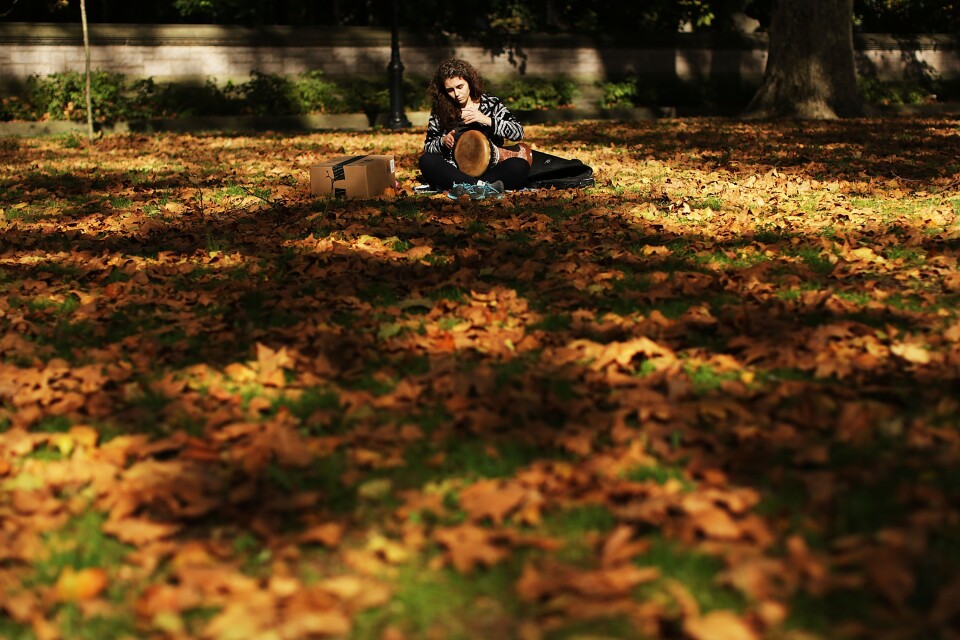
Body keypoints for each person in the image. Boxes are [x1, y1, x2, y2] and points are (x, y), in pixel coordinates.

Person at [419, 58, 532, 197]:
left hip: (490, 170)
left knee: (520, 165)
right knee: (427, 160)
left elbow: (518, 132)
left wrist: (485, 119)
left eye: (460, 87)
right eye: (450, 90)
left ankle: (467, 187)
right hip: (456, 171)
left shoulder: (490, 104)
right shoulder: (439, 111)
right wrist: (442, 141)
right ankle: (482, 188)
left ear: (470, 82)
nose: (456, 94)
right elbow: (428, 147)